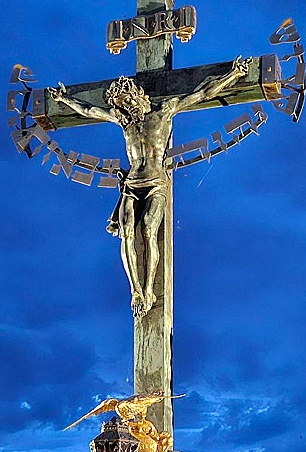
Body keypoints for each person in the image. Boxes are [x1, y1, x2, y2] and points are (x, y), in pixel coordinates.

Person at [50, 57, 250, 319]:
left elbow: (201, 92)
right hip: (132, 183)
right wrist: (65, 100)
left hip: (156, 181)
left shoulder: (164, 111)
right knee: (126, 234)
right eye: (122, 106)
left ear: (138, 98)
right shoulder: (125, 123)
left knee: (147, 228)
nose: (126, 109)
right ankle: (137, 291)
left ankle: (149, 289)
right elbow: (89, 111)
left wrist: (233, 75)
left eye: (128, 103)